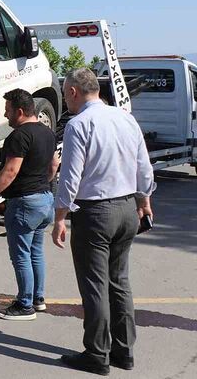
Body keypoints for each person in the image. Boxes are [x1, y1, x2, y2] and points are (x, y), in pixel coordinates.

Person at [52, 68, 155, 375]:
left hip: (96, 212)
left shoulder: (79, 124)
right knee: (119, 282)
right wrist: (144, 202)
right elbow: (143, 167)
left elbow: (70, 176)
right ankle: (124, 352)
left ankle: (97, 354)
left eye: (65, 93)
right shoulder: (126, 118)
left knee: (95, 286)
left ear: (72, 92)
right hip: (127, 209)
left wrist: (60, 217)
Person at [0, 89, 58, 321]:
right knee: (36, 252)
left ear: (20, 111)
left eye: (8, 110)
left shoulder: (19, 136)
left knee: (21, 255)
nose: (5, 114)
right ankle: (38, 299)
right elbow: (53, 166)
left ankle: (24, 305)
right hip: (44, 199)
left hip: (24, 202)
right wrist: (41, 184)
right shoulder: (48, 133)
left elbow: (10, 171)